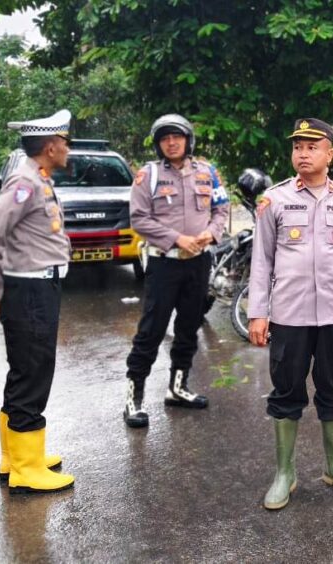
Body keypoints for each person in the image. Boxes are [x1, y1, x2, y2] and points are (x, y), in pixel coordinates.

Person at [247, 118, 333, 510]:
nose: (303, 153)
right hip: (289, 315)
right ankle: (285, 474)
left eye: (311, 147)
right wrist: (258, 313)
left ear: (329, 154)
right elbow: (261, 261)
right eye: (297, 147)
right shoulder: (274, 200)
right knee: (286, 390)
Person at [0, 109, 75, 494]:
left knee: (24, 371)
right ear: (50, 147)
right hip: (31, 291)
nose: (67, 148)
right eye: (64, 142)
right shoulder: (25, 183)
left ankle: (15, 457)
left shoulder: (38, 178)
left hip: (36, 288)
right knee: (33, 373)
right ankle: (26, 470)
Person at [122, 114, 230, 428]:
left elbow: (221, 208)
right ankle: (133, 398)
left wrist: (211, 233)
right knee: (151, 330)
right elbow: (139, 219)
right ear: (159, 144)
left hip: (198, 262)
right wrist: (176, 238)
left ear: (187, 140)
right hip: (164, 262)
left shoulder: (207, 172)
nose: (171, 143)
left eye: (177, 137)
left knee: (189, 326)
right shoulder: (149, 175)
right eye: (165, 138)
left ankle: (178, 388)